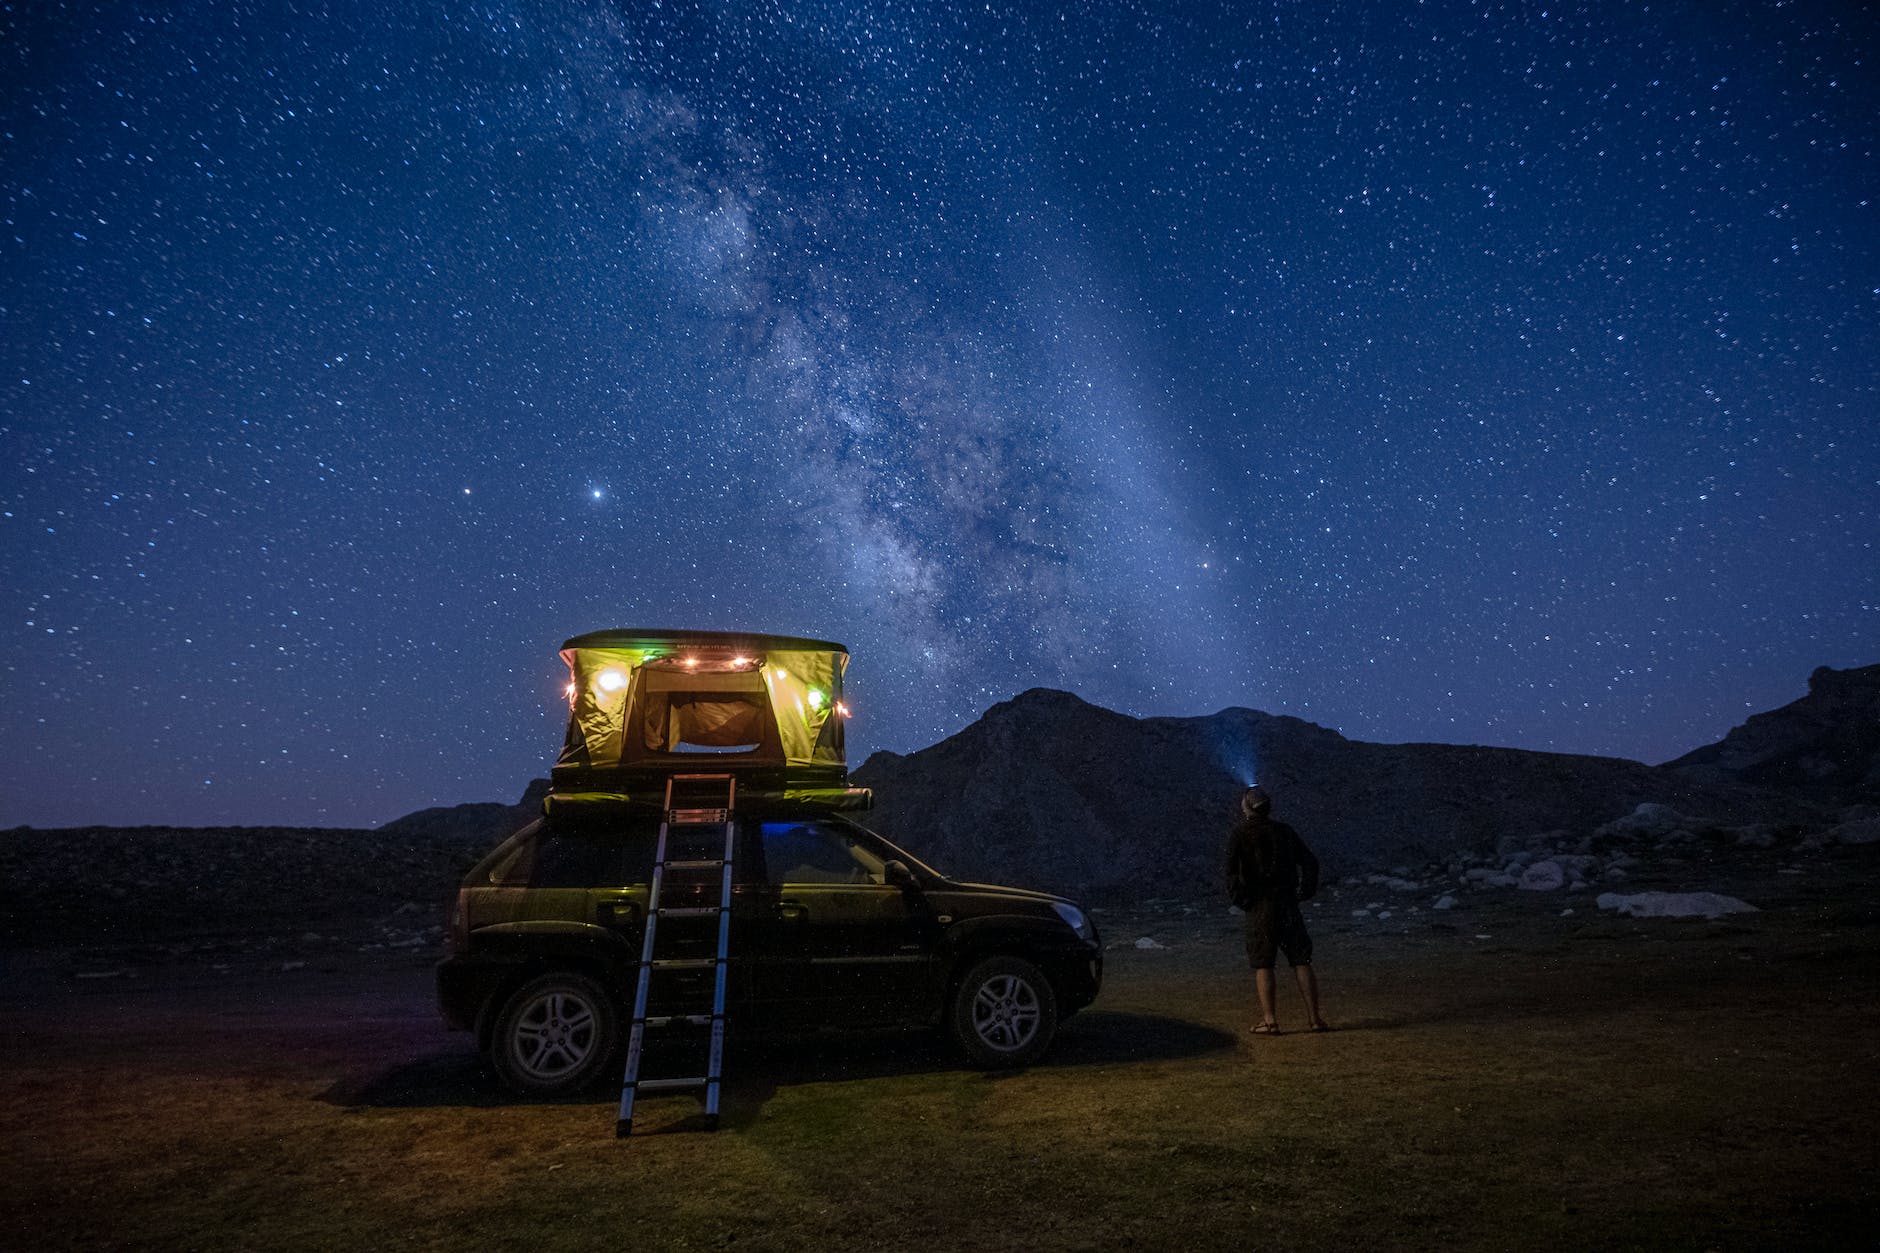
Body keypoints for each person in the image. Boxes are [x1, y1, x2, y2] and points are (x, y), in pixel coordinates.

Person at [1224, 785, 1328, 1035]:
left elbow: (1231, 873)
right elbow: (1309, 860)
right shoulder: (1284, 831)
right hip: (1288, 903)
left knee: (1263, 963)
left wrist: (1243, 901)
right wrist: (1305, 891)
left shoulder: (1240, 834)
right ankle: (1315, 1019)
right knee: (1301, 959)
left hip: (1260, 906)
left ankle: (1270, 1021)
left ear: (1247, 808)